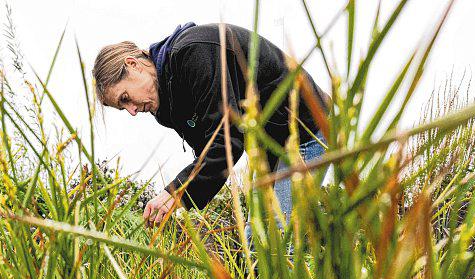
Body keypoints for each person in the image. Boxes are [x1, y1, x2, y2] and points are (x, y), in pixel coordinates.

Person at [92, 23, 328, 231]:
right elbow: (208, 151)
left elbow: (226, 142)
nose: (132, 111)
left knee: (280, 230)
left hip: (306, 128)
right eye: (123, 108)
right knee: (256, 239)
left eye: (125, 98)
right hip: (270, 149)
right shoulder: (166, 105)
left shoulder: (194, 53)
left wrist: (175, 192)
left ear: (133, 64)